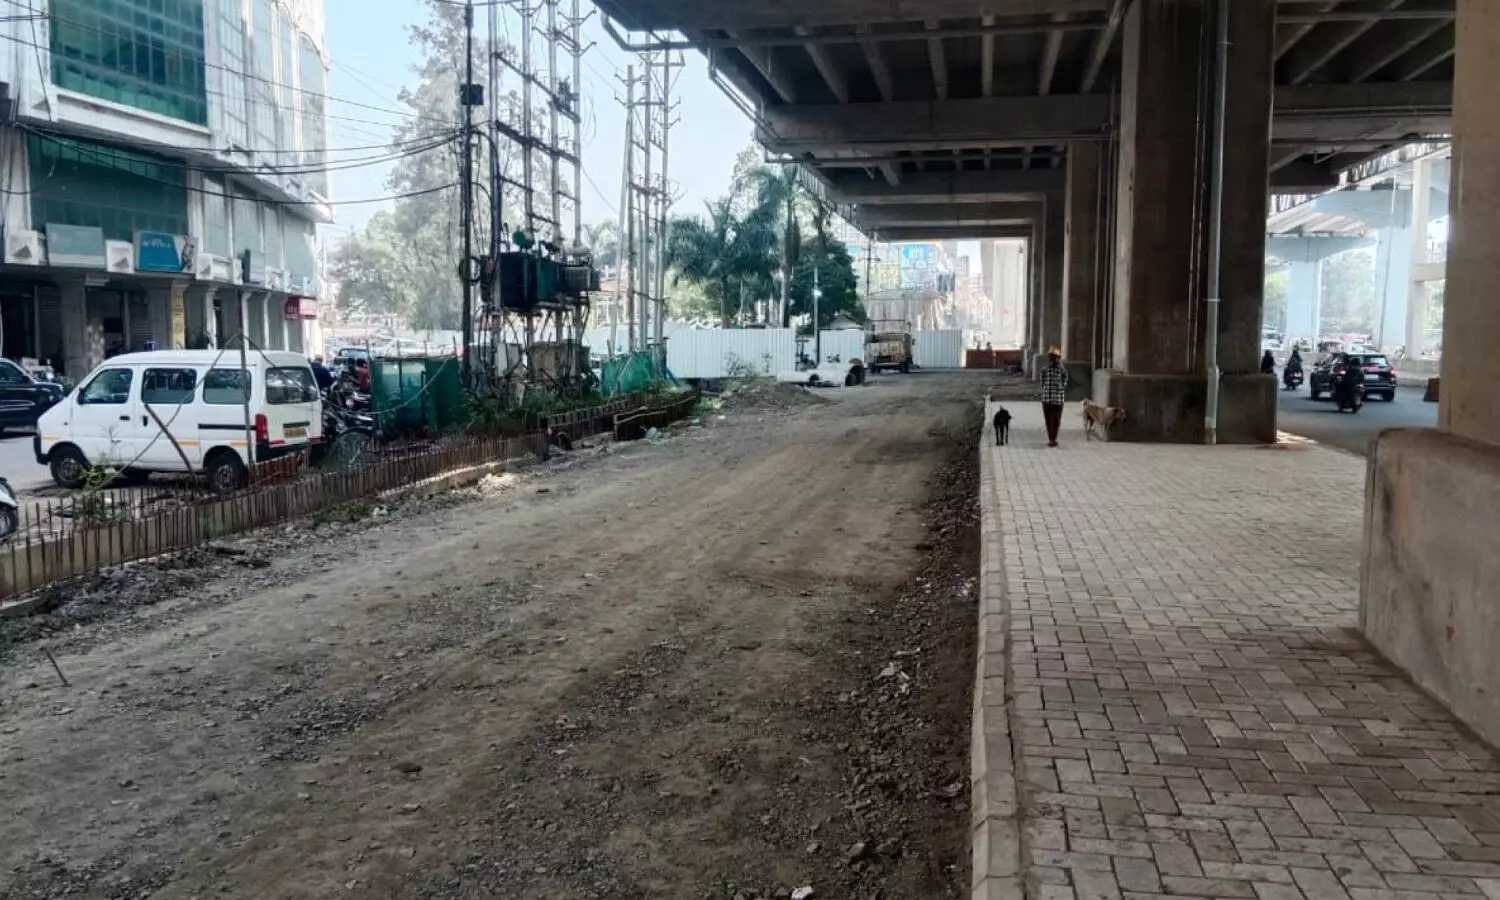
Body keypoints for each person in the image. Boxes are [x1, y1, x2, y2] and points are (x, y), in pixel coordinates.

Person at [1039, 346, 1068, 448]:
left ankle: (1054, 438)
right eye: (1051, 356)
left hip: (1058, 400)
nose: (1053, 358)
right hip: (1047, 399)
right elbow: (1042, 382)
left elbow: (1065, 381)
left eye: (1055, 356)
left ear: (1058, 358)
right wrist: (1045, 390)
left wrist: (1060, 387)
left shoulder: (1062, 370)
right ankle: (1051, 438)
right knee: (1048, 420)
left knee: (1056, 420)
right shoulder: (1045, 370)